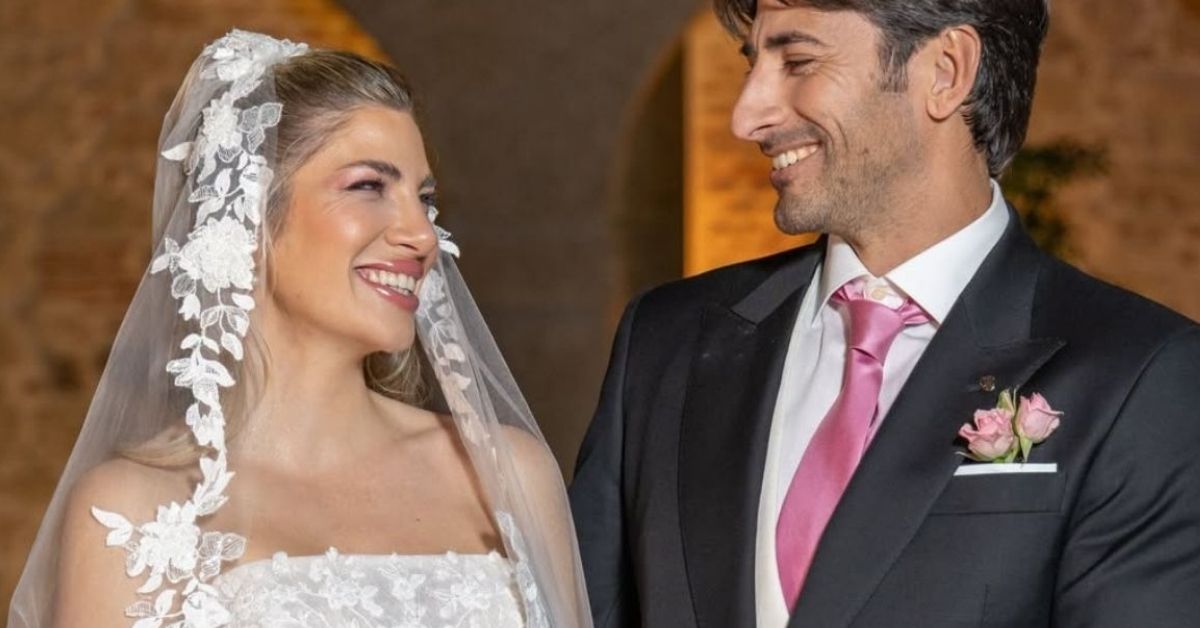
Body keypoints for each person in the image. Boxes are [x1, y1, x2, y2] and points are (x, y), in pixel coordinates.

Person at [570, 1, 1200, 626]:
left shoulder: (1141, 377)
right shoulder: (664, 342)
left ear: (946, 71)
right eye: (751, 64)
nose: (746, 116)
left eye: (798, 61)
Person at [9, 30, 590, 628]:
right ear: (251, 216)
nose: (422, 235)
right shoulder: (136, 514)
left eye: (425, 200)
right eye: (369, 186)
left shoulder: (509, 474)